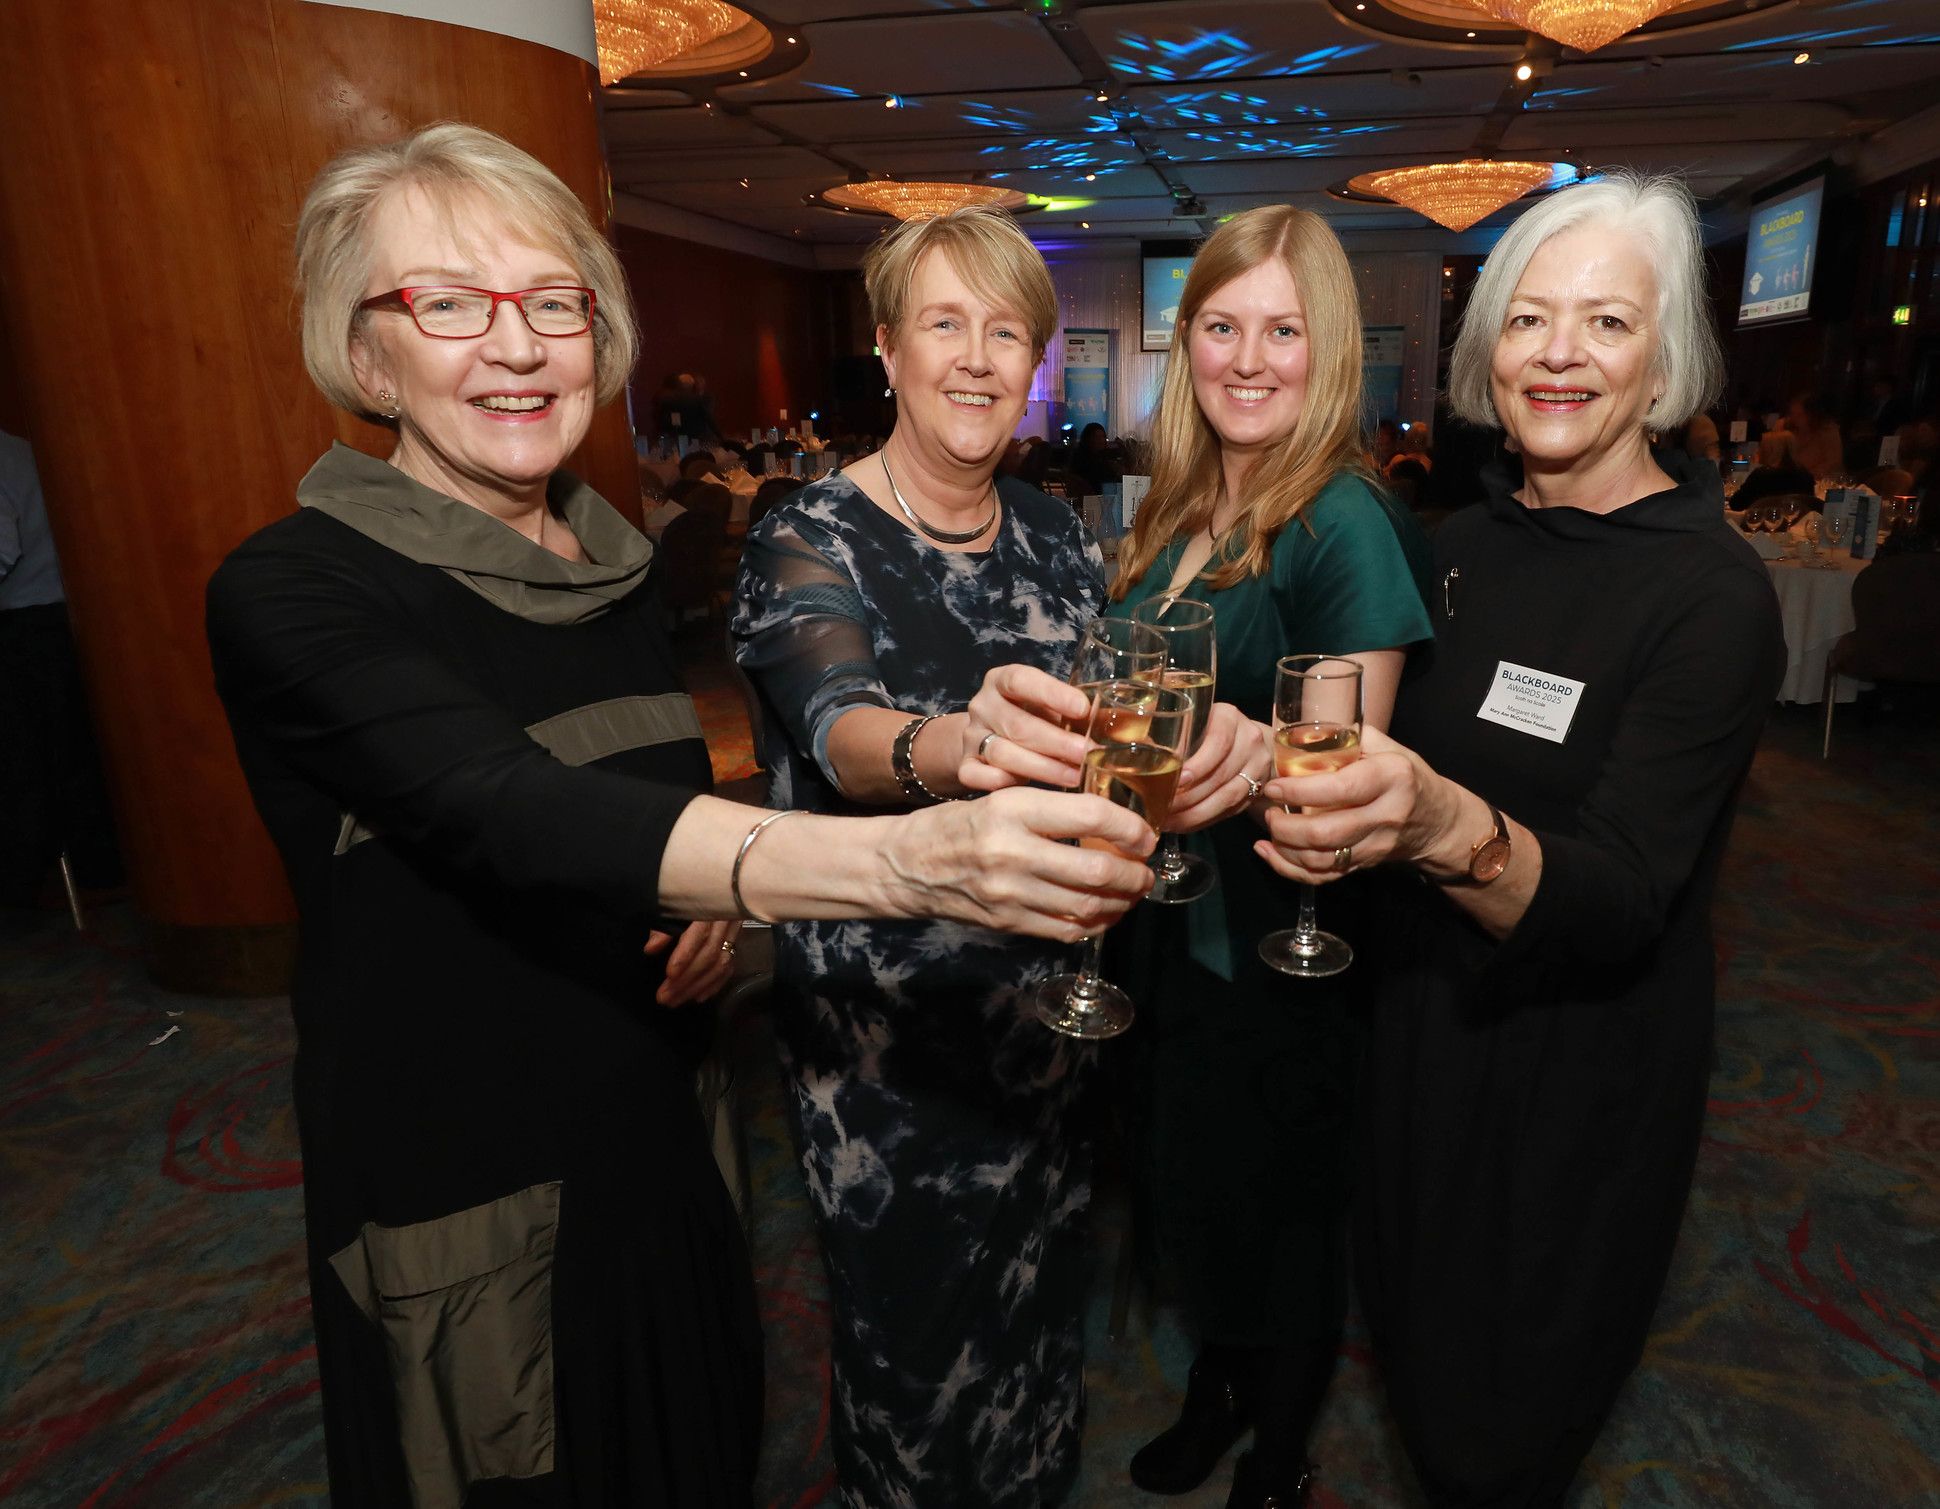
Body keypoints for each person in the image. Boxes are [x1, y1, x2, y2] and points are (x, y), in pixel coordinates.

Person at [206, 125, 1158, 1509]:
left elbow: (640, 815)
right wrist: (914, 842)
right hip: (473, 1185)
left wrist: (727, 916)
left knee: (702, 1447)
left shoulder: (609, 568)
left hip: (672, 1132)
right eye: (450, 304)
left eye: (553, 302)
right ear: (366, 356)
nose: (519, 346)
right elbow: (507, 806)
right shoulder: (297, 585)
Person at [1259, 172, 1784, 1507]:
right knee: (1421, 1349)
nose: (1560, 354)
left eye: (1607, 324)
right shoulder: (1451, 547)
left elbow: (1619, 898)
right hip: (1417, 1028)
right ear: (1487, 344)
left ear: (1665, 359)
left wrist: (1437, 820)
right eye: (1529, 318)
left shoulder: (1710, 594)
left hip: (1576, 1074)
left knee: (1505, 1424)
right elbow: (1355, 743)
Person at [731, 204, 1246, 1509]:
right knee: (909, 1359)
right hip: (887, 1043)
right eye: (942, 324)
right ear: (890, 352)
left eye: (1001, 330)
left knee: (1034, 1333)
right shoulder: (809, 534)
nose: (973, 357)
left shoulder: (1059, 540)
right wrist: (960, 746)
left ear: (1033, 366)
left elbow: (1114, 737)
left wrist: (1197, 744)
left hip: (1050, 1012)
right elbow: (846, 738)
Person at [1106, 205, 1432, 1508]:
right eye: (1220, 327)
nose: (1248, 358)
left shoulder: (1340, 518)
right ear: (1185, 347)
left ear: (1329, 349)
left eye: (1282, 330)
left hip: (1278, 932)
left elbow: (1341, 785)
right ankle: (1219, 1391)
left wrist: (1246, 754)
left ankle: (1279, 1453)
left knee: (1279, 1208)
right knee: (1195, 1187)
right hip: (1172, 913)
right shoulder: (1183, 504)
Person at [0, 429, 122, 915]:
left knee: (25, 764)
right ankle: (98, 872)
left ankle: (19, 895)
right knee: (64, 753)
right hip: (50, 615)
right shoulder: (20, 444)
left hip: (23, 625)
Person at [1732, 429, 1814, 511]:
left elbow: (1736, 504)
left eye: (1761, 446)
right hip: (1798, 522)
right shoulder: (1805, 475)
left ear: (1770, 450)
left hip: (1762, 522)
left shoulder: (1761, 476)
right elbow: (1811, 505)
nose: (1757, 450)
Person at [1783, 391, 1843, 481]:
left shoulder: (1827, 431)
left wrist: (1804, 477)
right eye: (1792, 413)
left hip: (1822, 482)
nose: (1794, 418)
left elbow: (1832, 463)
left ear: (1812, 415)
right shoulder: (1786, 427)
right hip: (1791, 480)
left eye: (1800, 415)